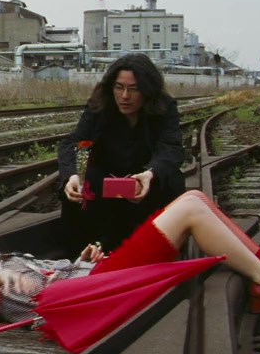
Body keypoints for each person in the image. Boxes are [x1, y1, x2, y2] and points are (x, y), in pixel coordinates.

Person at [0, 197, 260, 329]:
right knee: (190, 208)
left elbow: (45, 275)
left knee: (196, 201)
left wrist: (78, 262)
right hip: (86, 297)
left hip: (95, 280)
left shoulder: (2, 258)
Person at [57, 53, 186, 253]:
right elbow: (75, 142)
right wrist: (72, 175)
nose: (125, 96)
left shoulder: (164, 106)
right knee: (80, 185)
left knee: (172, 179)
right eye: (119, 87)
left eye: (133, 89)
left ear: (147, 90)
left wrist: (150, 174)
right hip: (106, 183)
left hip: (145, 183)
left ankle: (160, 248)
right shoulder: (101, 104)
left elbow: (171, 147)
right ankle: (81, 253)